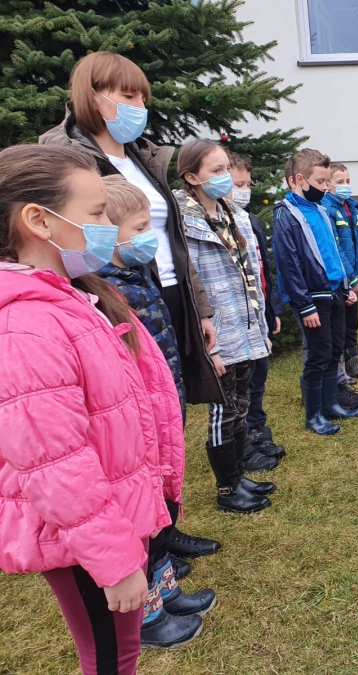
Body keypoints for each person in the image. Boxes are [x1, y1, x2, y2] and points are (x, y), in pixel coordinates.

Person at [0, 144, 186, 674]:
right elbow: (54, 461)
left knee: (119, 652)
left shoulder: (70, 296)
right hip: (86, 535)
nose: (108, 227)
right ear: (39, 220)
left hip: (111, 515)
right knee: (111, 658)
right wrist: (113, 560)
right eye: (98, 213)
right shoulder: (25, 326)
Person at [39, 50, 222, 559]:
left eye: (142, 96)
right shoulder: (63, 155)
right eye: (126, 95)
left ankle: (167, 526)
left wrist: (200, 309)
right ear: (92, 96)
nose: (138, 106)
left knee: (168, 413)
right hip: (117, 300)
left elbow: (172, 240)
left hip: (168, 296)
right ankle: (145, 543)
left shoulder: (144, 156)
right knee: (132, 425)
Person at [96, 176, 216, 649]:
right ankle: (146, 617)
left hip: (161, 408)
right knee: (141, 518)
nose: (151, 237)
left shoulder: (135, 275)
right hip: (136, 422)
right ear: (106, 235)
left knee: (160, 510)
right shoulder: (106, 290)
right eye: (141, 228)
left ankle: (166, 590)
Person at [175, 139, 277, 512]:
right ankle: (227, 490)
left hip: (244, 326)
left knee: (241, 404)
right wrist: (210, 345)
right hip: (217, 332)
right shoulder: (182, 223)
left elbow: (251, 276)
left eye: (226, 171)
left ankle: (238, 476)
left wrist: (259, 325)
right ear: (192, 177)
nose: (225, 178)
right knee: (223, 409)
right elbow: (189, 285)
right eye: (216, 171)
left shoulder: (233, 215)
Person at [273, 149, 358, 435]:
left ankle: (330, 404)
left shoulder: (321, 210)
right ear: (299, 179)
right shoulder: (287, 214)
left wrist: (345, 287)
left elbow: (332, 252)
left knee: (334, 350)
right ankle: (314, 416)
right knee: (318, 354)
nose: (326, 187)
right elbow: (288, 263)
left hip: (334, 291)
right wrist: (304, 304)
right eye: (321, 181)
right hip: (313, 298)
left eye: (326, 182)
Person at [228, 152, 287, 462]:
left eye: (248, 184)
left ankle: (257, 428)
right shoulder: (217, 224)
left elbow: (264, 270)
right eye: (238, 184)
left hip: (259, 311)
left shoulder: (250, 220)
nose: (245, 191)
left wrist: (272, 309)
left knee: (259, 374)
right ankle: (243, 437)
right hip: (237, 318)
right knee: (243, 382)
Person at [324, 162, 358, 380]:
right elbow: (336, 250)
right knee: (338, 326)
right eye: (340, 182)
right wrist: (351, 279)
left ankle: (354, 365)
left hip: (356, 279)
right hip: (341, 281)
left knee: (352, 323)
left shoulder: (354, 210)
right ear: (328, 185)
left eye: (348, 181)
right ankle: (339, 373)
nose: (345, 185)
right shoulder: (327, 210)